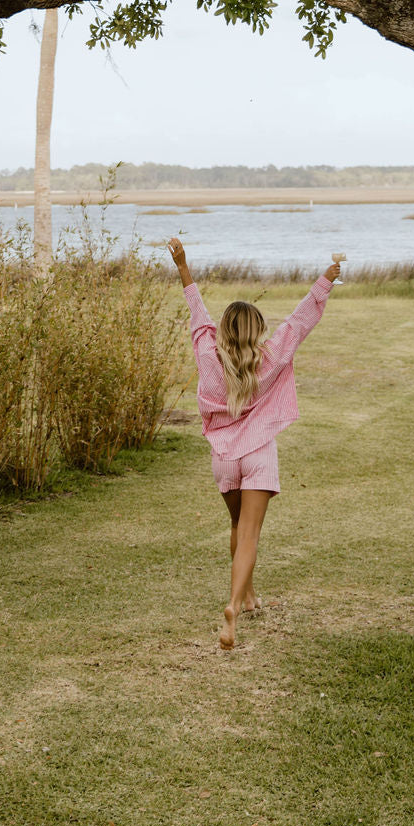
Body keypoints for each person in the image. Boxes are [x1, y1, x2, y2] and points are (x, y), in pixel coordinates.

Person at [168, 238, 341, 650]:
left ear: (224, 330)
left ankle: (247, 598)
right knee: (249, 534)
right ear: (257, 330)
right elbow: (299, 322)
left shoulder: (207, 355)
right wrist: (326, 280)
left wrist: (183, 266)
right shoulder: (269, 357)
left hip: (224, 458)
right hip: (258, 453)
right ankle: (232, 605)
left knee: (235, 525)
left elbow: (197, 312)